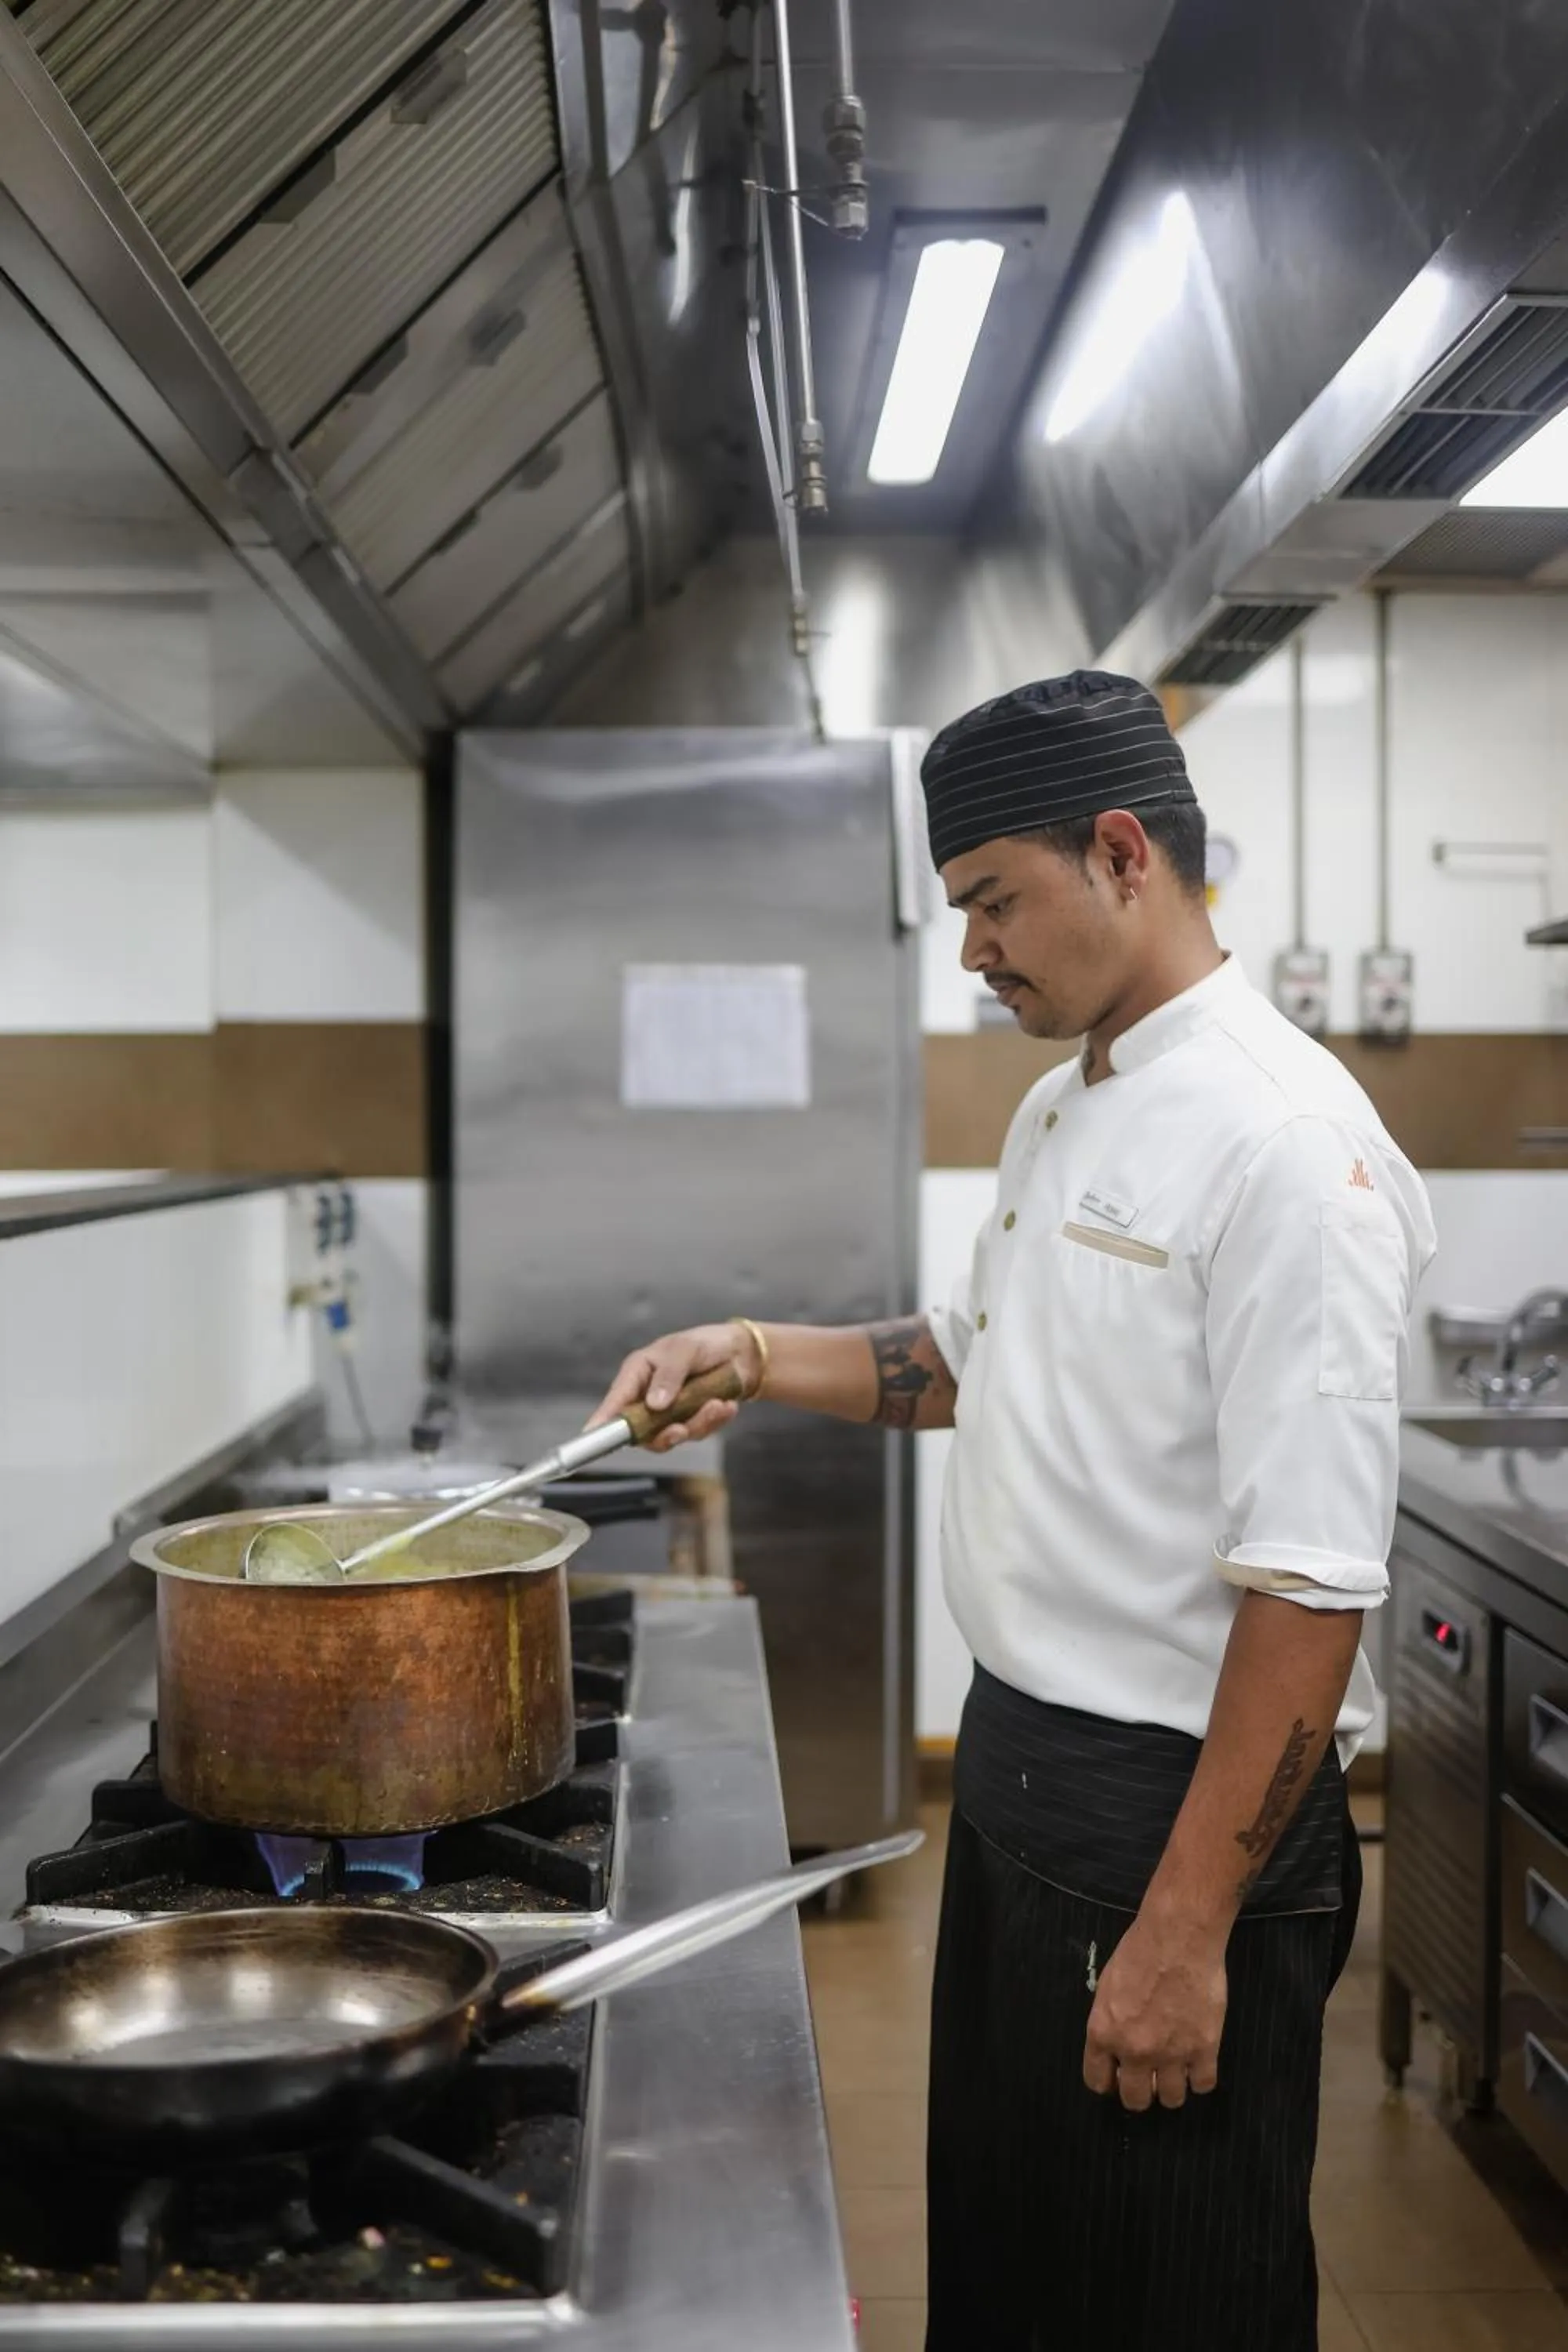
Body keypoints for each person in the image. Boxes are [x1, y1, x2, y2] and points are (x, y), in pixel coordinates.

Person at [590, 670, 1435, 2352]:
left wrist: (1185, 1930)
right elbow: (975, 1360)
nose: (971, 951)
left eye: (991, 900)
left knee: (1166, 2299)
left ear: (1122, 851)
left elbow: (1309, 1585)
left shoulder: (1288, 1152)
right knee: (1014, 2278)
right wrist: (752, 1354)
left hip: (1173, 1823)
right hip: (1021, 1780)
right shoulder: (1071, 1102)